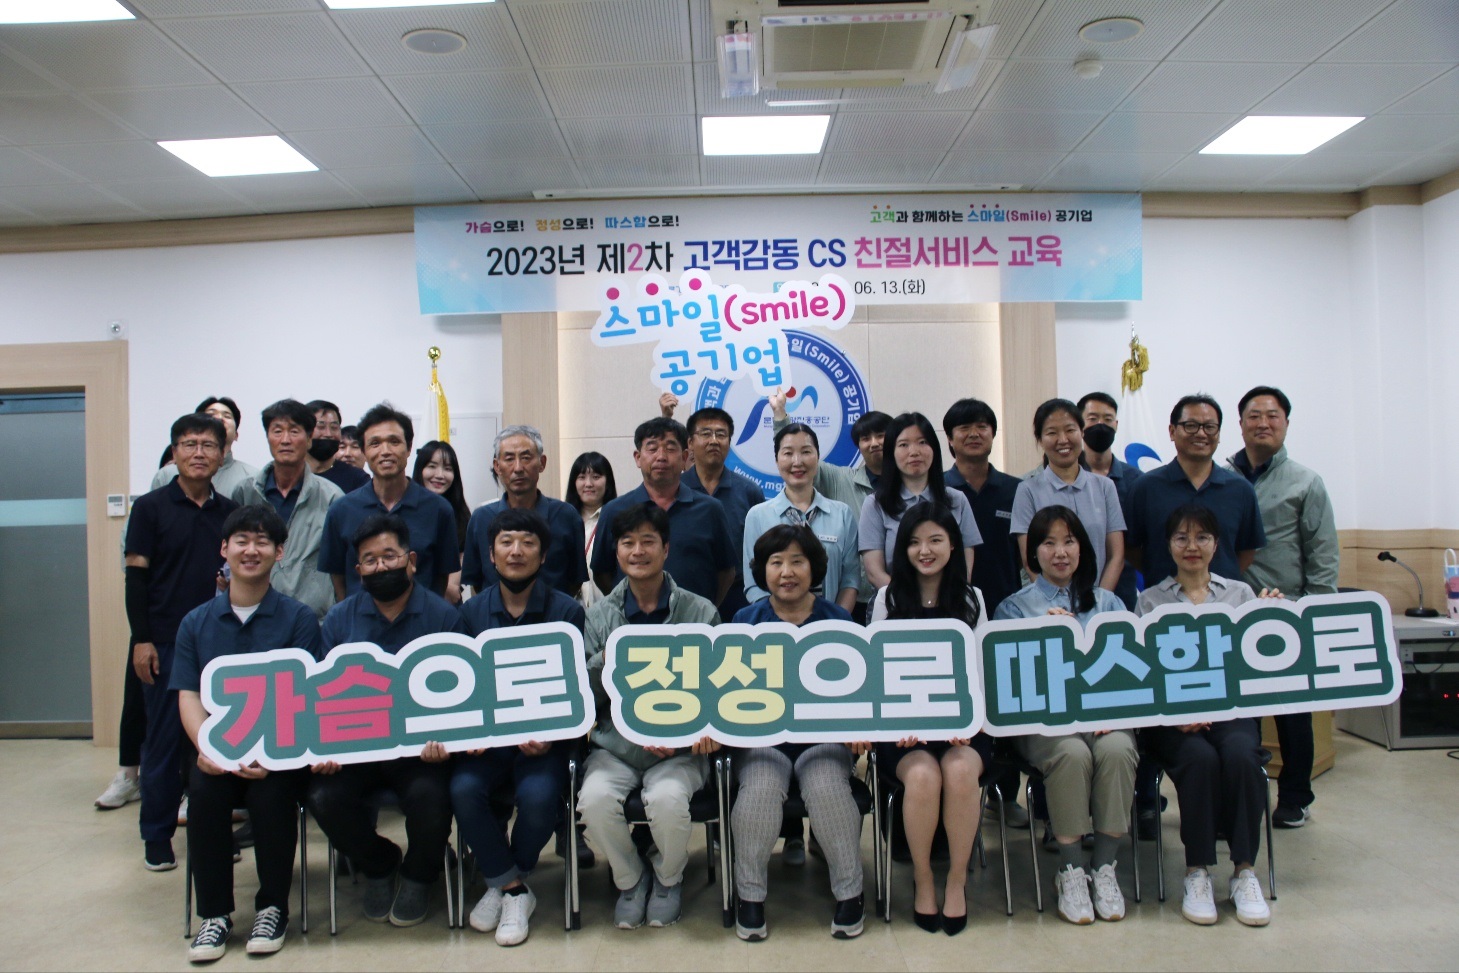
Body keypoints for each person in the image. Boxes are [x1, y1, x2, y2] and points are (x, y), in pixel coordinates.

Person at [172, 505, 323, 962]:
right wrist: (209, 747)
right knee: (205, 795)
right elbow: (188, 695)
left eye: (262, 542)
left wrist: (269, 752)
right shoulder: (195, 622)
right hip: (216, 750)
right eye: (241, 540)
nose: (251, 550)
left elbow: (303, 696)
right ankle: (214, 915)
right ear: (224, 548)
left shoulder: (298, 619)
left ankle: (272, 908)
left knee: (272, 796)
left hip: (278, 750)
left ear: (280, 553)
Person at [307, 514, 465, 927]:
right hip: (355, 751)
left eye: (390, 556)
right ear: (358, 570)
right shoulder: (339, 619)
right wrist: (324, 748)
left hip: (420, 753)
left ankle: (419, 874)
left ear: (411, 561)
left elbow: (462, 696)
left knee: (431, 797)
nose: (381, 567)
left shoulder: (444, 617)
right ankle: (379, 863)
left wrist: (446, 740)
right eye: (370, 560)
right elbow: (320, 694)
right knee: (322, 797)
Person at [1138, 504, 1281, 927]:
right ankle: (1196, 871)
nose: (1192, 546)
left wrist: (1273, 616)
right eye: (1181, 537)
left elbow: (1255, 664)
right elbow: (1145, 672)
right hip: (1172, 719)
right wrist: (1175, 715)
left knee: (1241, 756)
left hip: (1230, 713)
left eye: (1202, 537)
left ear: (1217, 544)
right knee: (1199, 758)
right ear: (1168, 545)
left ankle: (1244, 871)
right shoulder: (1149, 600)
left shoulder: (1241, 595)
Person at [579, 505, 721, 930]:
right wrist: (608, 657)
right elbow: (588, 696)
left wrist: (685, 737)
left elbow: (716, 690)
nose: (637, 551)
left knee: (667, 800)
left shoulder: (701, 612)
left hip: (680, 749)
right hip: (617, 747)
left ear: (666, 549)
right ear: (616, 551)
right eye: (628, 542)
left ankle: (668, 878)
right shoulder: (599, 615)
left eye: (647, 541)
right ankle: (631, 879)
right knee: (594, 800)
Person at [995, 506, 1134, 926]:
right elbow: (1010, 685)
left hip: (1103, 719)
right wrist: (1044, 637)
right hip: (1046, 725)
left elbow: (1132, 671)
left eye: (1069, 542)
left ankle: (1104, 867)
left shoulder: (1109, 603)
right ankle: (1071, 870)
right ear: (1033, 553)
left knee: (1118, 748)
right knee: (1071, 753)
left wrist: (1113, 711)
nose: (1060, 552)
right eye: (1049, 543)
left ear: (1082, 548)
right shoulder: (1014, 609)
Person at [454, 509, 587, 947]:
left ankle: (503, 882)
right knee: (462, 789)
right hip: (489, 745)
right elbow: (460, 688)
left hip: (542, 743)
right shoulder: (470, 613)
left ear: (543, 555)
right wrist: (469, 732)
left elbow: (576, 688)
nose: (516, 551)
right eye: (506, 542)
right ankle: (513, 889)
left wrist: (552, 735)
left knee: (540, 797)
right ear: (491, 555)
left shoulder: (567, 611)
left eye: (528, 543)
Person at [730, 525, 866, 942]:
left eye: (797, 562)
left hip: (824, 740)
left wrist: (861, 731)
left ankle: (850, 892)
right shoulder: (744, 622)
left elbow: (860, 692)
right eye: (776, 563)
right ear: (762, 570)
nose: (786, 572)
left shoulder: (838, 620)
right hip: (763, 742)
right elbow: (728, 695)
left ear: (814, 568)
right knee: (757, 792)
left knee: (827, 789)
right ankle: (750, 897)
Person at [125, 412, 240, 871]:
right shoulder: (150, 508)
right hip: (165, 642)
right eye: (189, 444)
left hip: (219, 643)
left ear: (222, 454)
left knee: (217, 741)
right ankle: (156, 835)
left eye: (208, 445)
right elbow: (136, 578)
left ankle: (214, 832)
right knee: (164, 742)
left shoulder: (229, 511)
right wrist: (142, 640)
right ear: (174, 453)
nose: (199, 453)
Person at [870, 503, 990, 936]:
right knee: (922, 776)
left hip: (963, 728)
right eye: (915, 542)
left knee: (959, 773)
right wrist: (899, 723)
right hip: (904, 730)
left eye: (935, 540)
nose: (925, 550)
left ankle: (956, 880)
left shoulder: (973, 598)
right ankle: (923, 878)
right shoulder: (887, 598)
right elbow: (878, 672)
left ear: (953, 545)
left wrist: (969, 723)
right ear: (902, 549)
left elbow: (981, 672)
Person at [1229, 385, 1339, 829]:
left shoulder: (1306, 482)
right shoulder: (1221, 477)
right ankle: (1245, 797)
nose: (1263, 423)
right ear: (1240, 424)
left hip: (1287, 612)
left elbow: (1323, 553)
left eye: (1272, 416)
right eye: (1254, 416)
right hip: (1232, 613)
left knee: (1292, 712)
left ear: (1286, 423)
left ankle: (1295, 796)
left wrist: (1315, 612)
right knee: (1241, 715)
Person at [940, 398, 1029, 829]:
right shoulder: (939, 490)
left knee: (1004, 704)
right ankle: (958, 795)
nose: (974, 434)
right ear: (950, 439)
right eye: (964, 428)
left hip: (1007, 612)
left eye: (982, 426)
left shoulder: (1018, 489)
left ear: (993, 434)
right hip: (955, 616)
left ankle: (1004, 795)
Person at [317, 403, 460, 601]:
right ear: (364, 452)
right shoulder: (341, 510)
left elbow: (441, 577)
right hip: (359, 617)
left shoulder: (439, 509)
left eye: (394, 442)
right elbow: (338, 577)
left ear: (409, 448)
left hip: (421, 617)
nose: (385, 451)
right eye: (375, 443)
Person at [590, 417, 735, 607]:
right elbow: (602, 572)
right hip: (632, 621)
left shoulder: (710, 509)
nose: (661, 457)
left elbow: (726, 571)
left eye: (670, 448)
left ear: (684, 457)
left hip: (693, 620)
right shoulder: (614, 510)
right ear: (638, 458)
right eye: (652, 448)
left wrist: (704, 609)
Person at [771, 395, 889, 622]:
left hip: (899, 601)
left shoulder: (909, 489)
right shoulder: (842, 479)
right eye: (865, 438)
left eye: (881, 435)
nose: (874, 443)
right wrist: (780, 415)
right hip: (855, 602)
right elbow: (796, 455)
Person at [1128, 394, 1266, 586]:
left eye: (1210, 427)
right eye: (1191, 426)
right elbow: (1131, 549)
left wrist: (1213, 588)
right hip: (1163, 599)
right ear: (1172, 431)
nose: (1201, 434)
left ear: (1218, 434)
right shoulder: (1145, 488)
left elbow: (1247, 551)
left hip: (1224, 600)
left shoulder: (1241, 489)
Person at [232, 399, 344, 620]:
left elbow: (340, 568)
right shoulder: (245, 493)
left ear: (309, 439)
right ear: (268, 438)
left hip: (315, 620)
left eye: (294, 431)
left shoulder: (332, 497)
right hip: (255, 617)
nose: (285, 440)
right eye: (277, 431)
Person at [661, 397, 766, 618]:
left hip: (738, 598)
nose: (714, 441)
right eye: (706, 434)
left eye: (721, 434)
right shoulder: (672, 490)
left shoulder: (749, 491)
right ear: (690, 443)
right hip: (681, 599)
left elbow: (762, 549)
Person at [741, 422, 860, 611]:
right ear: (777, 460)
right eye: (788, 453)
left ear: (818, 457)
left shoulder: (842, 514)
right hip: (774, 624)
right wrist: (778, 620)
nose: (797, 461)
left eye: (806, 452)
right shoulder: (757, 516)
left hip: (830, 623)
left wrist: (835, 620)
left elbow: (850, 580)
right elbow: (753, 584)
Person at [1011, 399, 1126, 593]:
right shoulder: (1027, 490)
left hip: (1099, 602)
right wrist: (1057, 600)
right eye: (1052, 433)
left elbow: (1116, 555)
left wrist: (1099, 601)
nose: (1063, 439)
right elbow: (1029, 559)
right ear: (1040, 439)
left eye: (1070, 430)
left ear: (1082, 432)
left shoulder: (1105, 487)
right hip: (1049, 606)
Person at [858, 412, 981, 591]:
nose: (914, 452)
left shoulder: (957, 500)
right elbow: (874, 573)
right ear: (891, 452)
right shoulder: (875, 504)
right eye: (903, 445)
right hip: (894, 602)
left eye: (922, 442)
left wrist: (940, 600)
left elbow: (965, 568)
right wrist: (911, 601)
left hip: (949, 601)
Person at [461, 425, 587, 599]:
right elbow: (476, 582)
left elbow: (575, 581)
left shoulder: (566, 516)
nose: (518, 468)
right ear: (497, 466)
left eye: (526, 458)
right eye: (509, 459)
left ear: (542, 463)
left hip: (552, 614)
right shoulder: (481, 518)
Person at [1078, 392, 1142, 610]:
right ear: (1080, 424)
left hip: (1124, 591)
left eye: (1107, 419)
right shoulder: (1069, 477)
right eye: (1093, 418)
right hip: (1073, 589)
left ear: (1116, 424)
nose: (1100, 425)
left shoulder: (1136, 480)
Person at [151, 396, 259, 498]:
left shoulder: (252, 477)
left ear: (236, 435)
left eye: (227, 416)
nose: (219, 418)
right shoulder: (167, 474)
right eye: (211, 414)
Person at [412, 439, 470, 604]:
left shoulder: (461, 514)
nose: (440, 475)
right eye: (432, 466)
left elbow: (461, 557)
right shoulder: (406, 509)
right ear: (420, 469)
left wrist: (451, 586)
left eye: (448, 469)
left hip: (447, 604)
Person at [566, 451, 617, 607]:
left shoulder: (618, 520)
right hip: (572, 608)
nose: (588, 484)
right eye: (582, 477)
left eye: (596, 477)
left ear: (608, 481)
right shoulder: (563, 521)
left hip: (608, 607)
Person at [304, 399, 370, 494]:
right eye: (321, 427)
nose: (328, 434)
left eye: (334, 427)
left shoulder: (358, 479)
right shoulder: (290, 475)